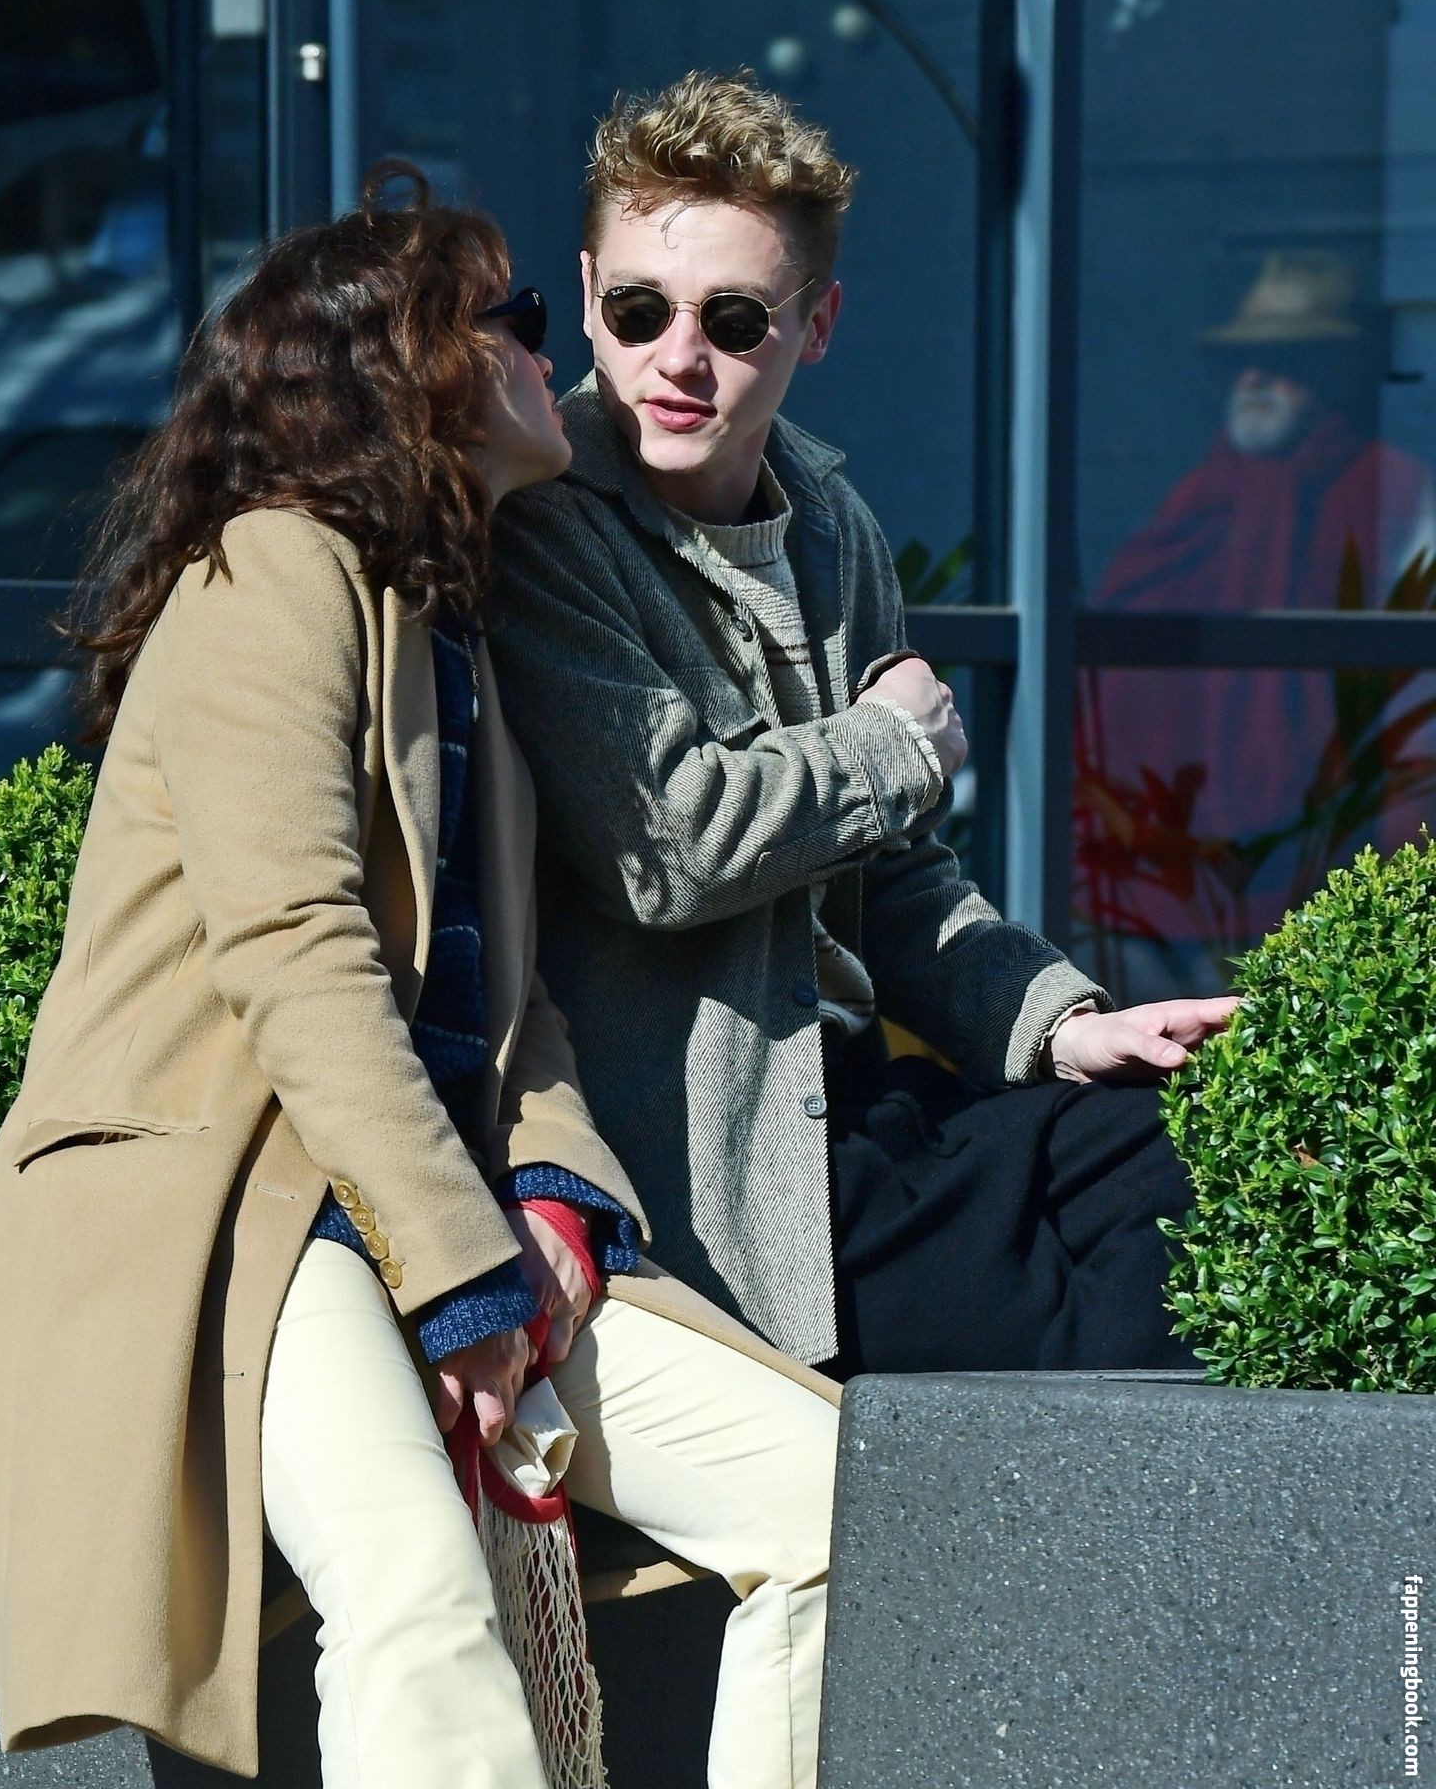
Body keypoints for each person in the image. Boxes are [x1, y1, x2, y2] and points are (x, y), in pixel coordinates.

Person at [0, 165, 839, 1789]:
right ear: (412, 366)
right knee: (416, 1592)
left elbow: (514, 1009)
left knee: (825, 1501)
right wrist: (463, 1283)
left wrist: (559, 1197)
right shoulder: (271, 570)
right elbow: (298, 956)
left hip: (441, 1209)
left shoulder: (451, 623)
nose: (549, 351)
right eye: (516, 317)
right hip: (237, 1198)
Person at [487, 70, 1238, 1380]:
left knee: (1190, 1160)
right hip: (719, 1177)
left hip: (864, 1105)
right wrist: (892, 745)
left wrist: (1061, 1024)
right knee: (1097, 1335)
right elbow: (668, 848)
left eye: (734, 320)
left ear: (816, 324)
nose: (679, 358)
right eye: (639, 310)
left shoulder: (831, 527)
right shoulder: (545, 524)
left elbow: (892, 881)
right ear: (591, 294)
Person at [1079, 250, 1436, 953]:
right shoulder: (1198, 494)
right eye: (1241, 361)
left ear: (1333, 373)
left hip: (1323, 855)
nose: (1254, 377)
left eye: (1285, 360)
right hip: (1151, 867)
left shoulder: (1392, 491)